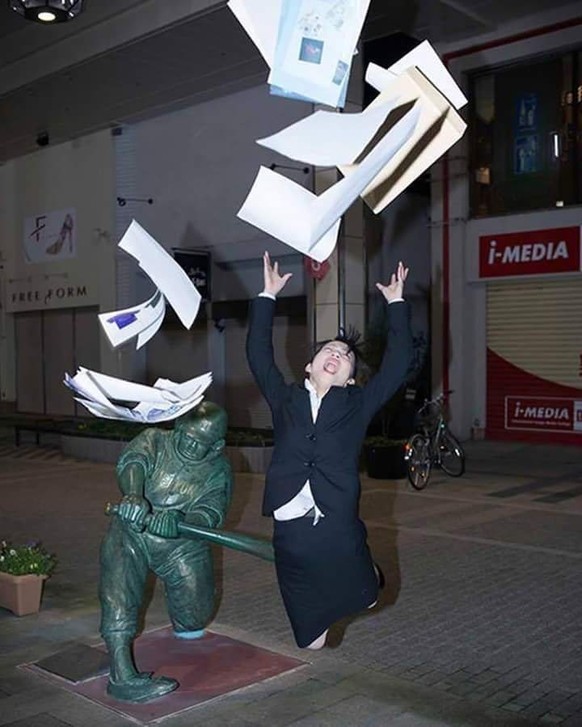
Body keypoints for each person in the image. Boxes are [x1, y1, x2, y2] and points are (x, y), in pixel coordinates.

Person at [246, 252, 412, 650]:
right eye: (329, 350)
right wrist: (267, 296)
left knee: (365, 594)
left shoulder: (358, 404)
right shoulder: (285, 398)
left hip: (336, 520)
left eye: (346, 356)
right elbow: (258, 355)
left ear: (351, 378)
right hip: (290, 528)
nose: (336, 354)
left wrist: (396, 304)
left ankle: (368, 581)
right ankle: (334, 606)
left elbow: (398, 364)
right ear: (309, 365)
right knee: (312, 643)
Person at [99, 401, 232, 703]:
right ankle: (121, 674)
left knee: (195, 617)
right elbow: (133, 461)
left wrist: (184, 521)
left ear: (216, 446)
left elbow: (212, 510)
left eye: (199, 442)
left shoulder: (219, 469)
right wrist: (133, 495)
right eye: (185, 435)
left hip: (181, 544)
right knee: (118, 584)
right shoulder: (155, 439)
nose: (188, 444)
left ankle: (186, 621)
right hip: (133, 529)